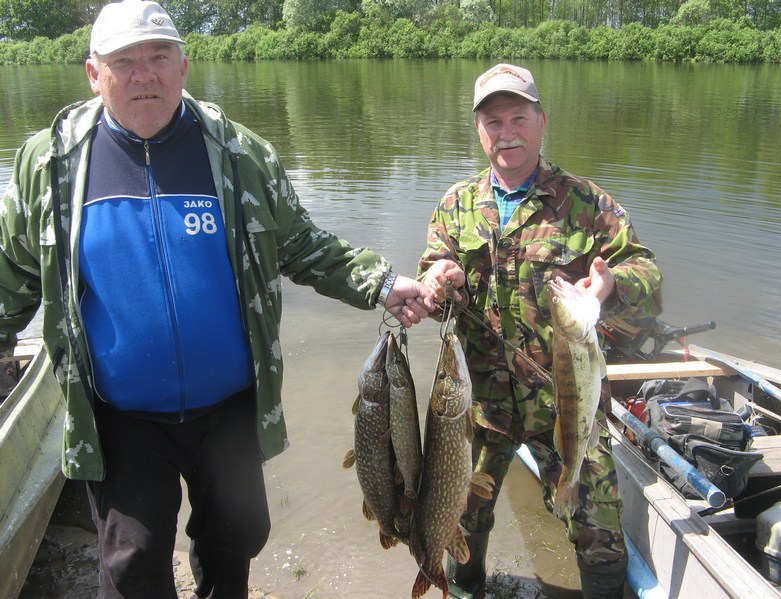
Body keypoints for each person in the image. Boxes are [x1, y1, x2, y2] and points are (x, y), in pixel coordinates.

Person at [0, 1, 436, 597]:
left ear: (184, 66)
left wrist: (383, 284)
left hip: (228, 409)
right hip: (119, 416)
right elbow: (12, 274)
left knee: (237, 539)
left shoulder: (240, 154)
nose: (145, 75)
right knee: (132, 564)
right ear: (94, 74)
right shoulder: (50, 164)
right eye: (124, 62)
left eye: (159, 57)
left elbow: (301, 244)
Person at [418, 63, 663, 599]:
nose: (507, 133)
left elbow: (647, 274)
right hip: (480, 407)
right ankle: (464, 589)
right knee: (460, 518)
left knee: (599, 532)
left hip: (565, 407)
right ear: (478, 130)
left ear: (542, 121)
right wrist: (439, 281)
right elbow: (432, 283)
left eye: (518, 118)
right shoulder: (455, 205)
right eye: (493, 122)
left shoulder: (586, 203)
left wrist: (611, 285)